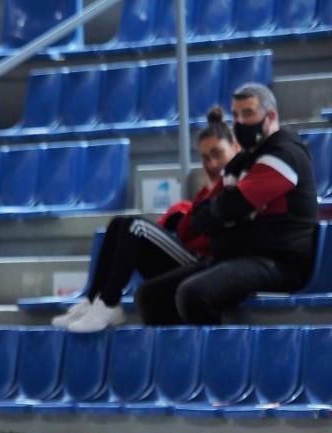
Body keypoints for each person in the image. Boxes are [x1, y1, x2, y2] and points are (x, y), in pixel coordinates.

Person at [135, 83, 319, 324]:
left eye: (249, 113)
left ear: (271, 116)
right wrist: (224, 213)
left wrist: (225, 214)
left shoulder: (285, 154)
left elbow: (230, 206)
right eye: (236, 115)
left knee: (194, 294)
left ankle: (217, 359)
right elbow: (201, 217)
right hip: (240, 258)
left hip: (280, 262)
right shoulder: (241, 162)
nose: (240, 122)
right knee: (150, 296)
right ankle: (182, 358)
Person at [53, 107, 240, 333]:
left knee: (136, 227)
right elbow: (188, 226)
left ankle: (111, 303)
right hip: (189, 257)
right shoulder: (206, 191)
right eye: (205, 157)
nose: (211, 163)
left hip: (207, 266)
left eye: (217, 153)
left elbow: (208, 231)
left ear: (235, 148)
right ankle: (93, 300)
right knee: (119, 224)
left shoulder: (238, 184)